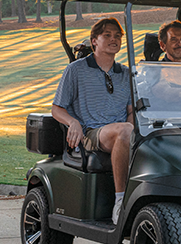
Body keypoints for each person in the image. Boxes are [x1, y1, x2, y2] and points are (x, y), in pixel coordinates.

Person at [52, 17, 133, 225]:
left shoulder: (125, 73)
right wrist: (73, 122)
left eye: (117, 36)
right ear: (94, 40)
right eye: (107, 35)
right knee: (124, 130)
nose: (113, 39)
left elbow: (131, 111)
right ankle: (121, 201)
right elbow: (57, 109)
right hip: (91, 133)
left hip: (124, 132)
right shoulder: (76, 70)